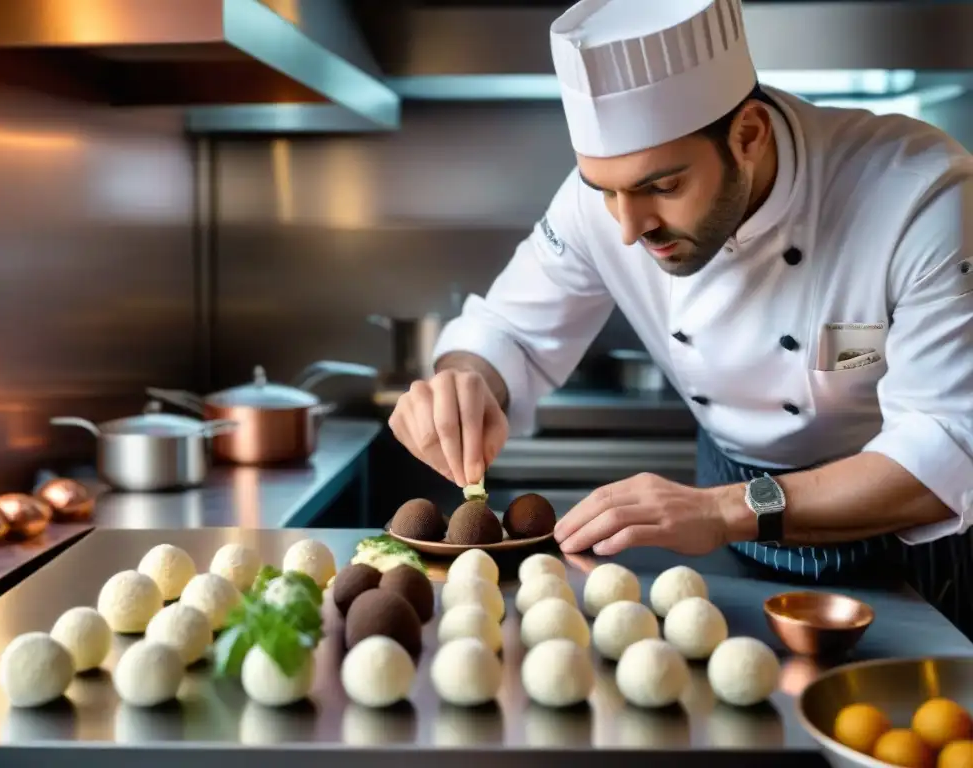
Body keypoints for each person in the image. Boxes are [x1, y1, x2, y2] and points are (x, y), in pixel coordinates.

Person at [387, 0, 973, 635]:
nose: (629, 227)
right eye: (605, 190)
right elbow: (506, 333)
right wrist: (464, 383)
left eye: (662, 188)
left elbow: (946, 450)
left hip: (904, 551)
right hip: (729, 550)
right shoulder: (607, 207)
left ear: (748, 135)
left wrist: (724, 510)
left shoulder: (922, 195)